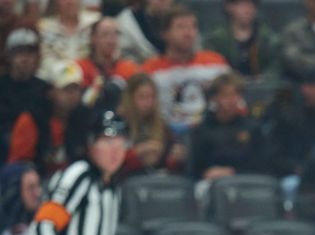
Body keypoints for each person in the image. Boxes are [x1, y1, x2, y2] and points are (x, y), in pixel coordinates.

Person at [142, 5, 230, 134]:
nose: (188, 33)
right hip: (167, 135)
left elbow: (236, 102)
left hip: (212, 133)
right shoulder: (150, 70)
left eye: (193, 27)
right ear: (165, 34)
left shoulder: (216, 63)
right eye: (180, 27)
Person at [7, 59, 90, 177]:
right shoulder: (31, 120)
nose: (72, 95)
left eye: (76, 89)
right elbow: (17, 166)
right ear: (50, 92)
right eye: (66, 89)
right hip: (38, 183)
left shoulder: (84, 118)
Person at [264, 64, 315, 177]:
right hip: (290, 178)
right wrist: (298, 168)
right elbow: (273, 158)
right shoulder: (288, 116)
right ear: (306, 88)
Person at [188, 71, 264, 181]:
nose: (231, 101)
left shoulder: (252, 128)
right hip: (210, 182)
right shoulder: (202, 130)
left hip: (245, 181)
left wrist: (232, 172)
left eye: (235, 95)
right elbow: (195, 168)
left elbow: (262, 164)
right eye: (226, 95)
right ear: (214, 98)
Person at [117, 71, 186, 176]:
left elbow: (169, 160)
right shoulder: (119, 123)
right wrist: (139, 152)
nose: (148, 103)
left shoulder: (161, 126)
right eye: (142, 97)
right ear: (130, 98)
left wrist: (176, 157)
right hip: (127, 180)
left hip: (158, 181)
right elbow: (111, 160)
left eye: (151, 97)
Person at [1, 29, 51, 161]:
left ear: (37, 56)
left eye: (30, 52)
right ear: (9, 56)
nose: (25, 58)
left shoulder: (45, 89)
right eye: (19, 52)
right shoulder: (1, 86)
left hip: (36, 159)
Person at [77, 15, 139, 112]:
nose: (111, 40)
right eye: (105, 35)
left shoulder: (128, 68)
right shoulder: (80, 68)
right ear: (93, 38)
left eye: (115, 35)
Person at [204, 0, 280, 78]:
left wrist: (265, 79)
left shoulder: (268, 39)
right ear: (229, 7)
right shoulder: (216, 40)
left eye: (251, 4)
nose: (247, 9)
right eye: (242, 4)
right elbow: (211, 67)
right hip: (225, 86)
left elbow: (275, 67)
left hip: (262, 86)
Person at [37, 0, 100, 76]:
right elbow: (46, 61)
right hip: (56, 78)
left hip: (90, 76)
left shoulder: (95, 22)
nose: (70, 2)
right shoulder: (45, 28)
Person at [0, 161, 40, 235]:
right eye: (31, 188)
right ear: (14, 190)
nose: (38, 193)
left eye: (38, 186)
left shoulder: (43, 220)